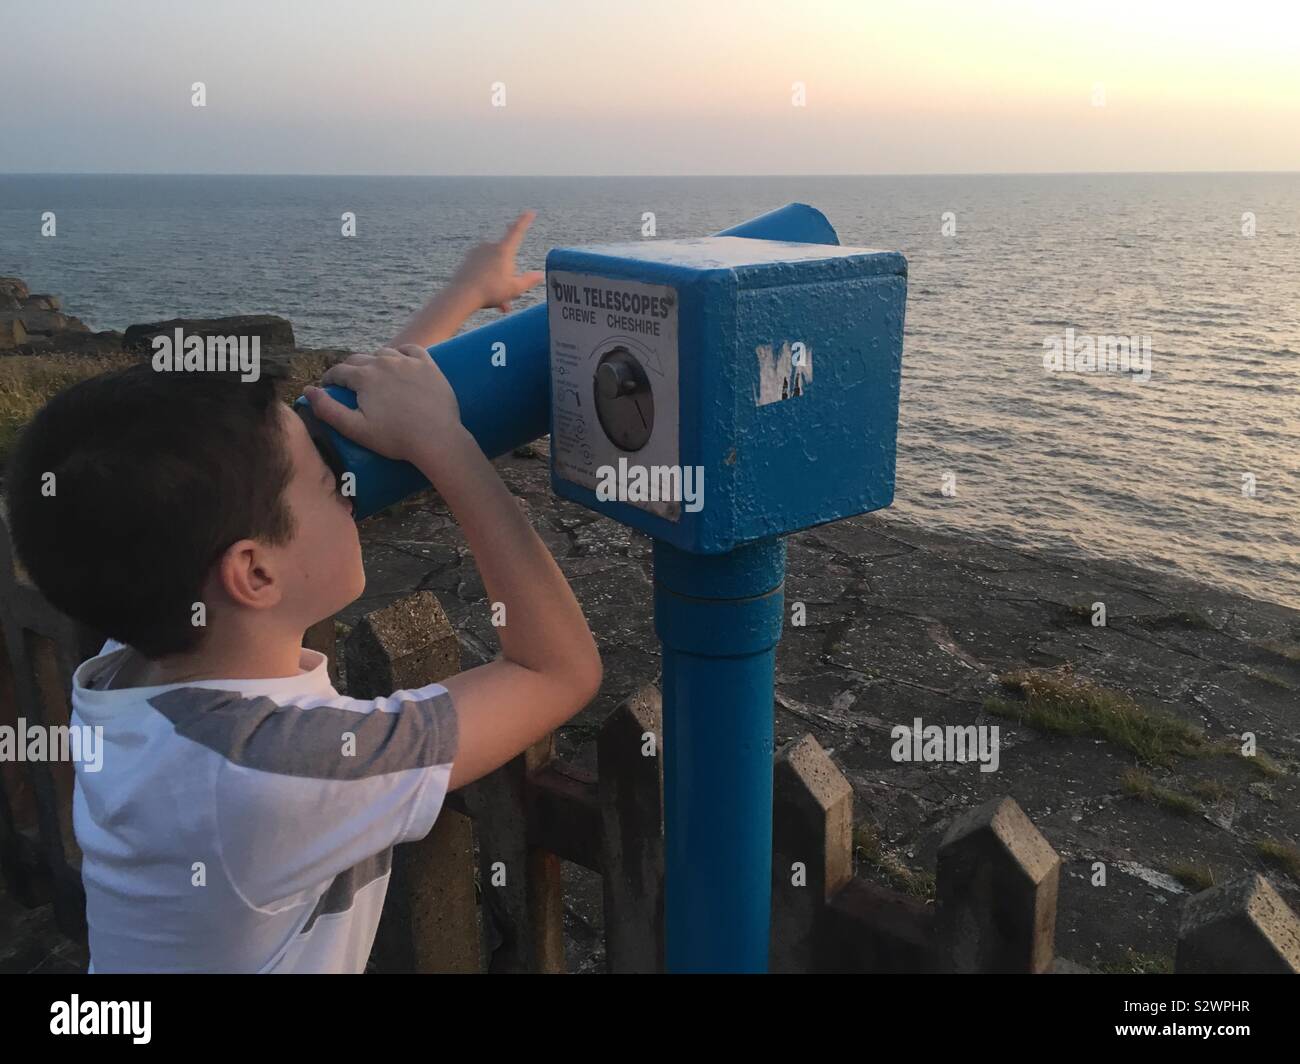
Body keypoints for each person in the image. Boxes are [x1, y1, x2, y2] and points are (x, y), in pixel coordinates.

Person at [4, 211, 602, 972]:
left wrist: (462, 297)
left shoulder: (138, 655)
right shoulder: (279, 773)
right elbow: (557, 672)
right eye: (332, 484)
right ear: (253, 574)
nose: (350, 486)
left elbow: (306, 450)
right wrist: (444, 444)